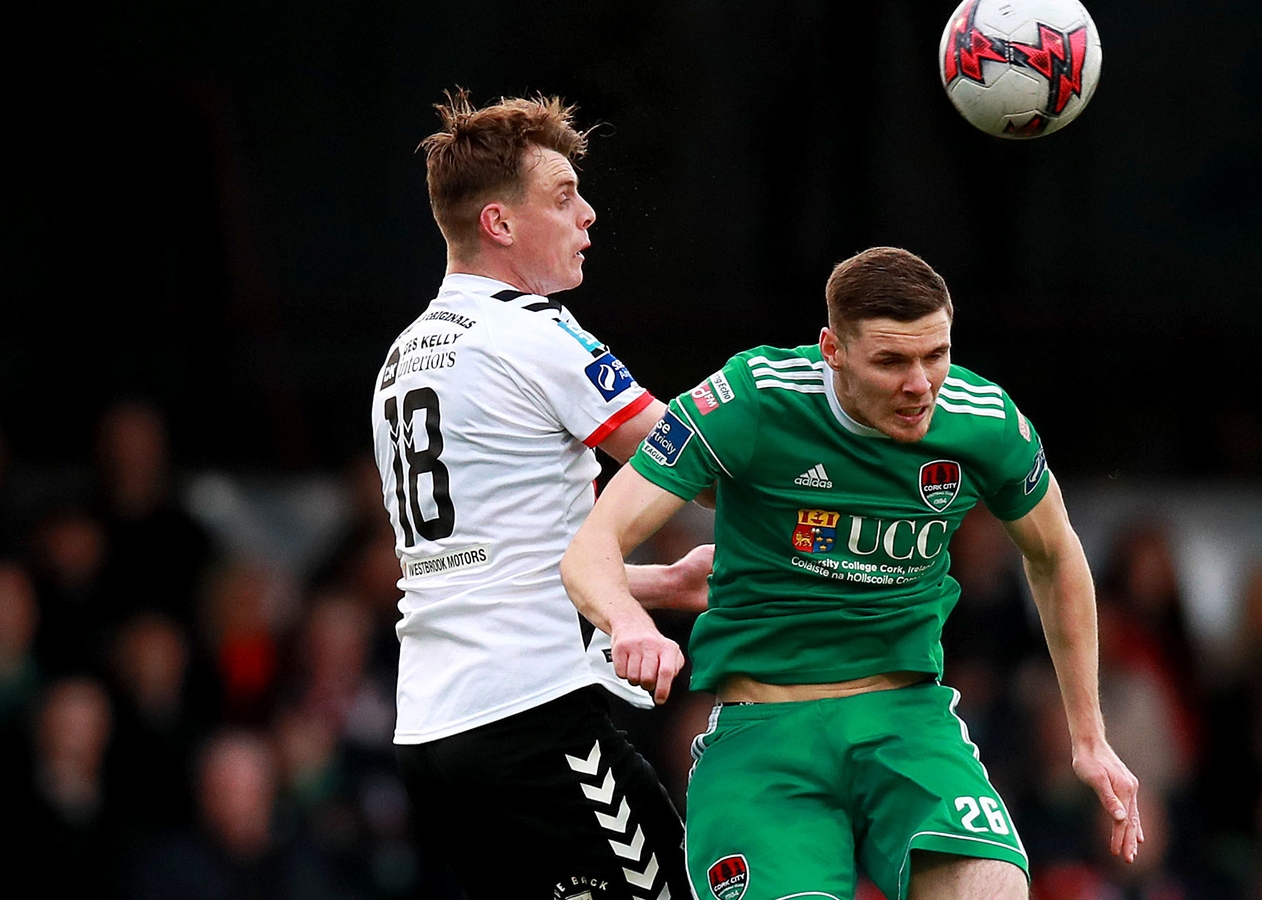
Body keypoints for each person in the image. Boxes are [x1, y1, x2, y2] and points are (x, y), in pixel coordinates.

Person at [562, 247, 1142, 900]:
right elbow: (592, 546)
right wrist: (628, 621)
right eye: (891, 361)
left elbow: (1055, 555)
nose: (920, 383)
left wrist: (1090, 738)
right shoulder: (752, 399)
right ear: (832, 349)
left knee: (993, 886)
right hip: (765, 739)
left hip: (907, 722)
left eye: (935, 355)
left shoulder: (984, 420)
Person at [369, 90, 710, 900]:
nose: (588, 215)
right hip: (531, 718)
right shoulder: (531, 328)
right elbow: (684, 458)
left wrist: (655, 585)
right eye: (563, 197)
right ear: (500, 224)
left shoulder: (403, 355)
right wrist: (831, 469)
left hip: (431, 734)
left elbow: (483, 564)